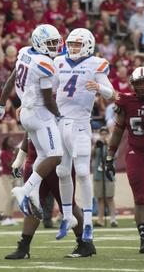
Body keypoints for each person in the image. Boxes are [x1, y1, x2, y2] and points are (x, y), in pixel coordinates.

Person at [0, 24, 63, 218]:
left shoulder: (25, 53)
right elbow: (48, 100)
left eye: (55, 42)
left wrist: (0, 105)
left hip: (26, 113)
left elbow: (10, 81)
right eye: (50, 43)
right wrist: (60, 116)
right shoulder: (44, 63)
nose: (54, 46)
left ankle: (30, 192)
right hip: (41, 114)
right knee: (56, 155)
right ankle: (26, 189)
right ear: (39, 42)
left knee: (41, 156)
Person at [54, 28, 114, 242]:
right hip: (60, 123)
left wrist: (99, 87)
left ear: (88, 44)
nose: (72, 48)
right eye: (70, 44)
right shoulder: (59, 62)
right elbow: (50, 90)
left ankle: (88, 222)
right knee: (62, 171)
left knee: (80, 171)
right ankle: (68, 216)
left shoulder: (95, 64)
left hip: (80, 124)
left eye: (77, 44)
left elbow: (112, 93)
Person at [5, 134, 96, 259]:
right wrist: (20, 158)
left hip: (56, 162)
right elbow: (29, 131)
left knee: (68, 204)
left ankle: (85, 243)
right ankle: (23, 247)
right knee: (32, 203)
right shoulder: (30, 114)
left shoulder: (54, 115)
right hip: (34, 161)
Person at [106, 66, 144, 254]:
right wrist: (109, 156)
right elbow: (117, 130)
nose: (142, 88)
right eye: (138, 84)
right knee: (140, 198)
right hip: (136, 154)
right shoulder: (126, 102)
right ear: (133, 85)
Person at [93, 127, 117, 228]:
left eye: (105, 133)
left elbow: (115, 156)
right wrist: (96, 146)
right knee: (100, 198)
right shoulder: (98, 144)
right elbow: (92, 155)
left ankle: (113, 219)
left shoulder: (112, 145)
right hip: (98, 175)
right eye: (102, 134)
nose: (103, 135)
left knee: (110, 197)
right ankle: (100, 220)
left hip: (108, 174)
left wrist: (107, 145)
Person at [0, 136, 21, 226]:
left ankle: (10, 217)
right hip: (6, 176)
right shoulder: (3, 153)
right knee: (10, 196)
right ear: (6, 143)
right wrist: (16, 155)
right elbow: (9, 166)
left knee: (14, 196)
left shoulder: (14, 152)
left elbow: (19, 164)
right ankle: (5, 217)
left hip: (14, 175)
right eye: (10, 141)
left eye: (13, 140)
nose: (12, 142)